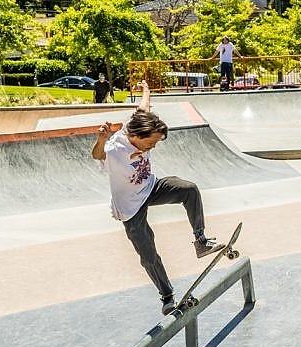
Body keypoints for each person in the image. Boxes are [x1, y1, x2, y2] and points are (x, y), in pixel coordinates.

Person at [91, 81, 225, 315]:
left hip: (151, 187)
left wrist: (145, 88)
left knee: (188, 189)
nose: (152, 146)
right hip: (130, 207)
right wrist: (101, 139)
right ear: (135, 136)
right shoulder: (115, 148)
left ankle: (201, 241)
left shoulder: (141, 122)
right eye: (150, 142)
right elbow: (97, 154)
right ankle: (167, 296)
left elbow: (145, 105)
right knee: (148, 253)